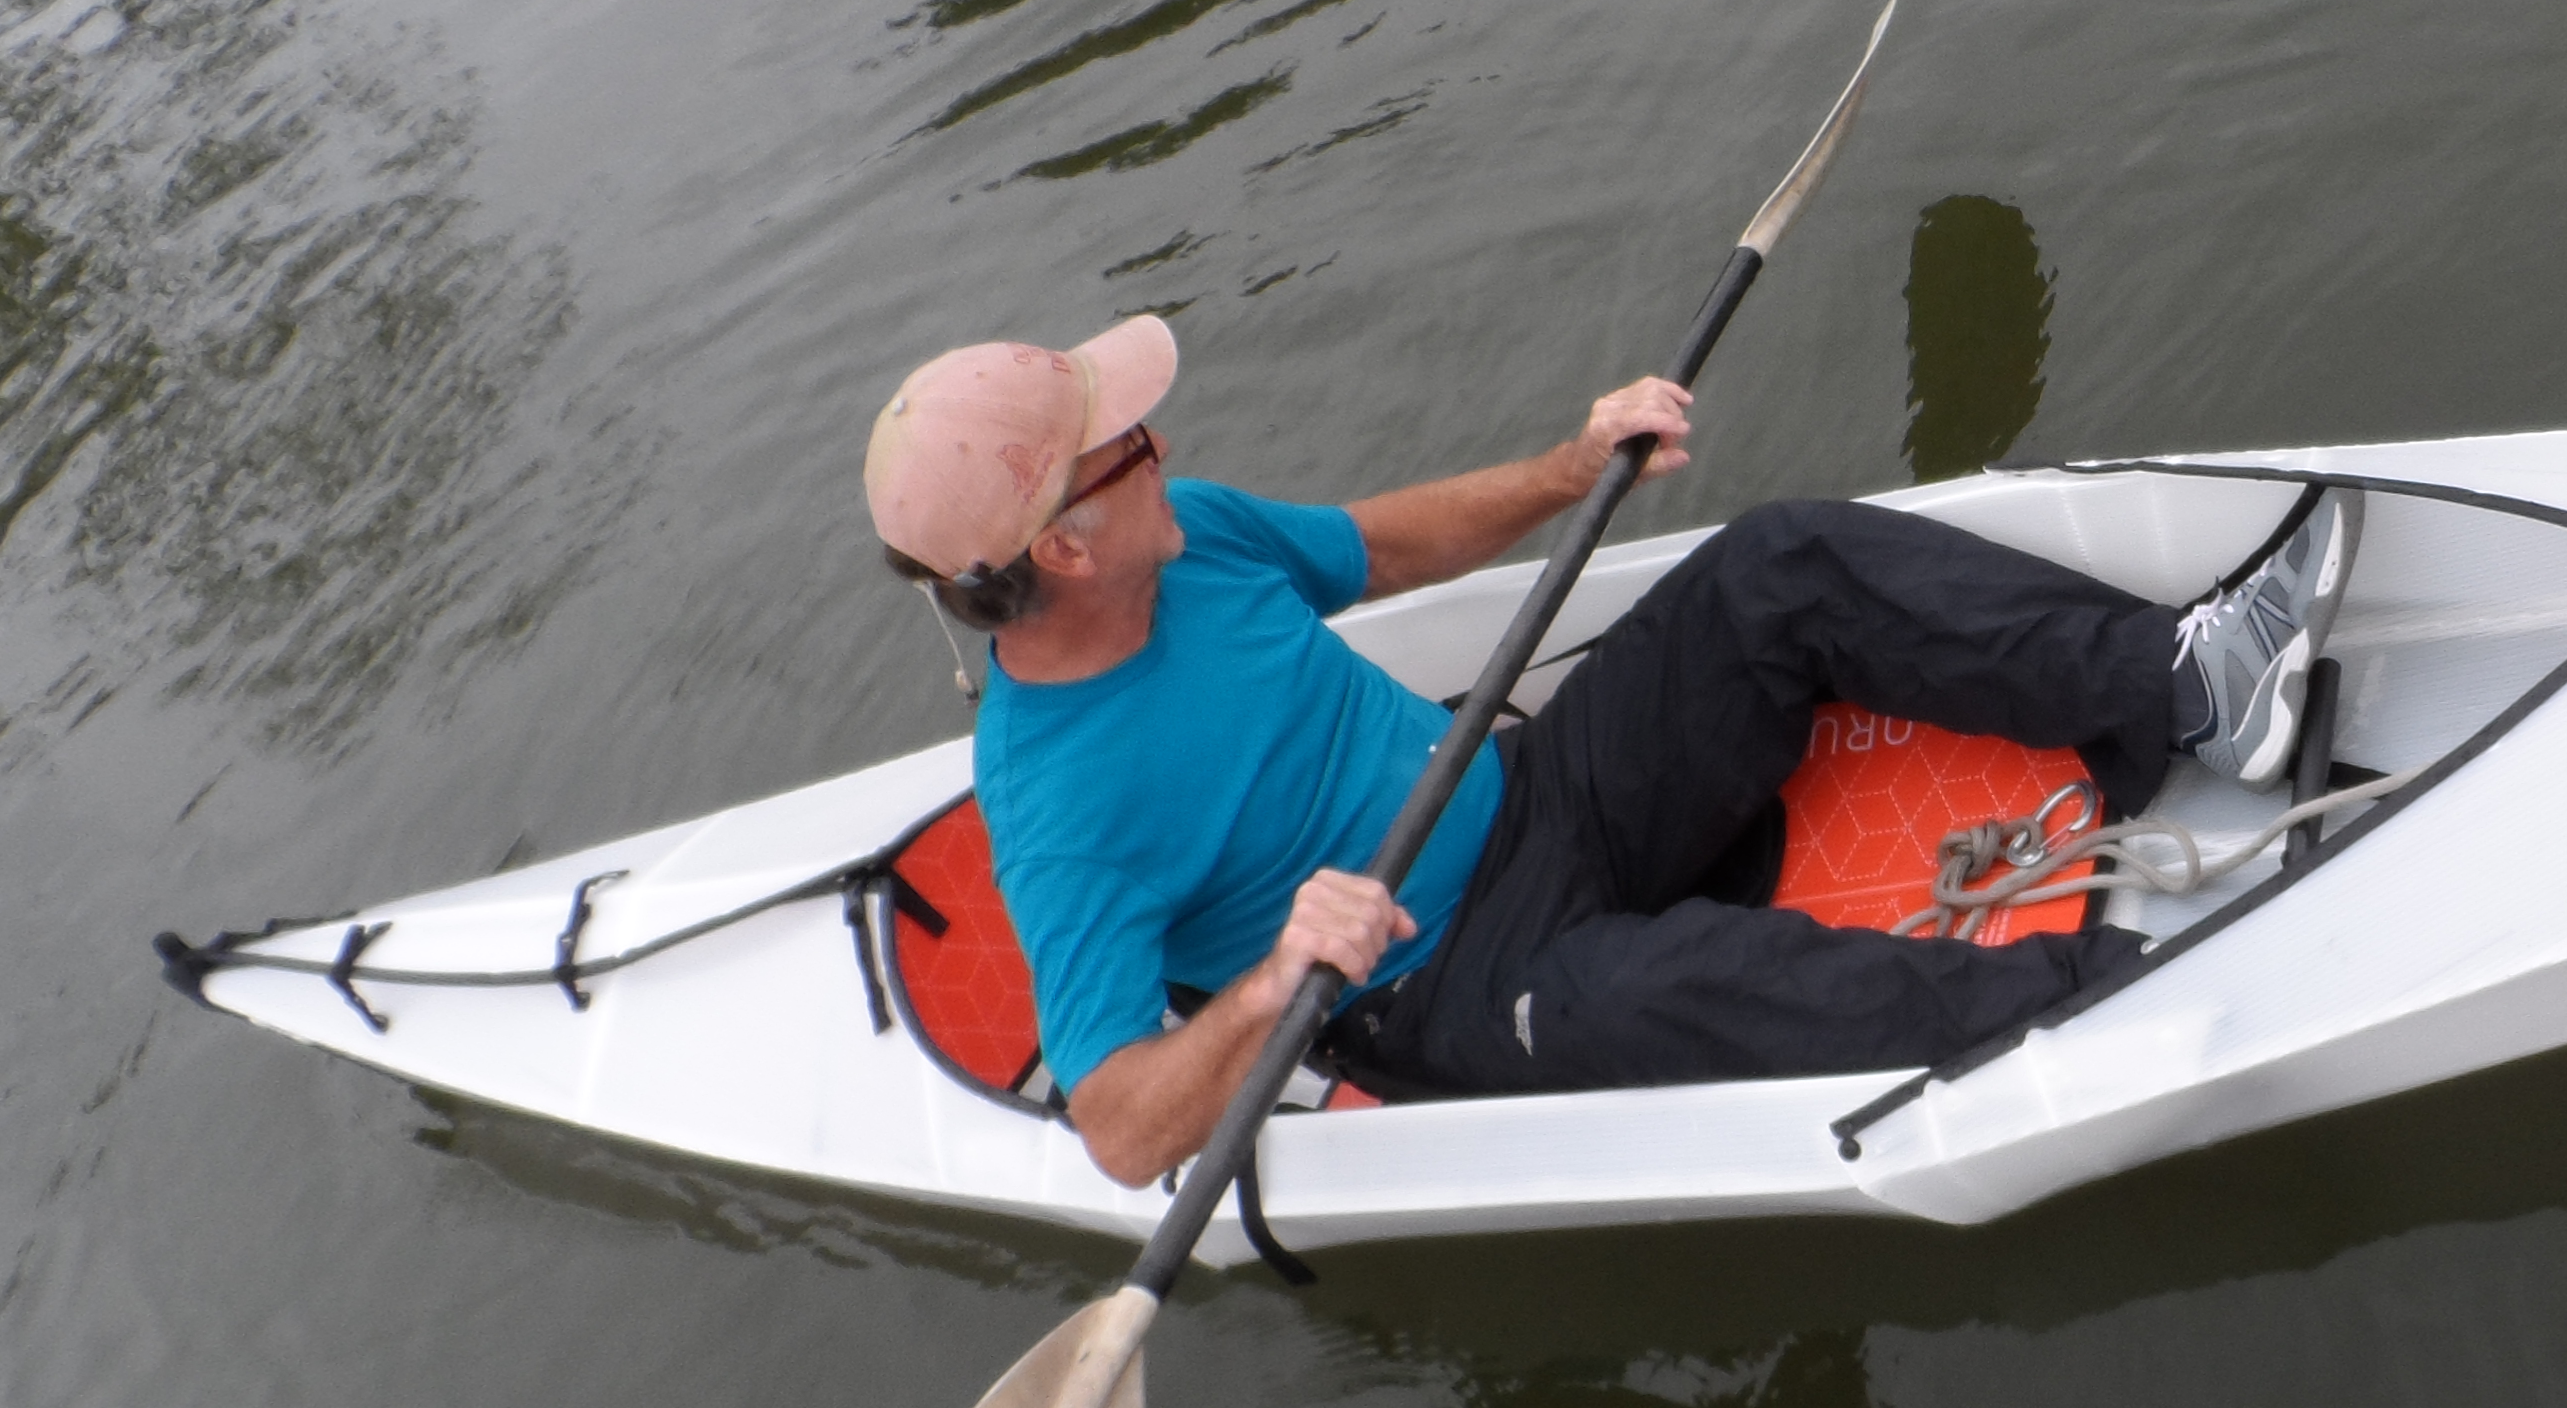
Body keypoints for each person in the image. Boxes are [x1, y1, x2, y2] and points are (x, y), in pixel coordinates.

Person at [863, 316, 2358, 1184]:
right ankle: (2135, 996)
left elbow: (1385, 548)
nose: (1166, 451)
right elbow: (1122, 1128)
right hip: (1446, 988)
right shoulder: (1054, 801)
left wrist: (1576, 469)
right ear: (1064, 545)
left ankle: (2187, 687)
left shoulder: (1195, 541)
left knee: (1778, 567)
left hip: (1534, 792)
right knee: (1711, 985)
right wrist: (1270, 983)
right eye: (1130, 447)